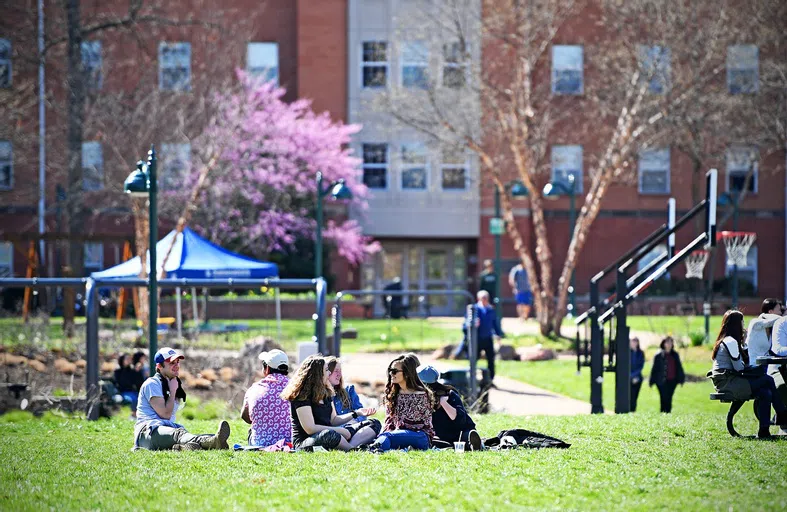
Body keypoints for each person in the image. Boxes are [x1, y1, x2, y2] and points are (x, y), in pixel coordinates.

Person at [134, 347, 230, 451]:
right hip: (148, 433)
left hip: (165, 431)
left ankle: (183, 447)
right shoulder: (152, 384)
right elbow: (165, 415)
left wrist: (173, 390)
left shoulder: (171, 384)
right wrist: (173, 391)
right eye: (171, 363)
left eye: (177, 362)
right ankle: (213, 442)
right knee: (179, 434)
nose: (176, 366)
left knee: (191, 435)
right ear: (159, 366)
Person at [709, 310, 787, 438]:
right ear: (736, 325)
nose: (743, 326)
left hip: (730, 380)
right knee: (767, 380)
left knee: (765, 393)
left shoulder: (730, 341)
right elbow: (739, 368)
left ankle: (764, 431)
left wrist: (744, 343)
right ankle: (782, 414)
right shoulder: (730, 342)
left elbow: (742, 364)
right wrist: (754, 370)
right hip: (728, 383)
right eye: (742, 323)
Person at [280, 355, 379, 451]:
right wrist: (339, 430)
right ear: (318, 374)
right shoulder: (302, 396)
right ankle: (351, 449)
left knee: (374, 423)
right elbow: (310, 428)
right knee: (330, 434)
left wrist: (356, 413)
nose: (329, 373)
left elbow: (334, 420)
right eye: (326, 370)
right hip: (307, 441)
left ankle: (349, 447)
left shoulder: (326, 392)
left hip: (333, 433)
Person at [368, 354, 435, 452]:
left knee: (388, 437)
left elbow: (414, 423)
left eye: (394, 371)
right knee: (385, 435)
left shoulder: (421, 394)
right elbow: (389, 421)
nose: (391, 374)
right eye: (390, 370)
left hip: (420, 436)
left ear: (407, 374)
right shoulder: (394, 394)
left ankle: (375, 449)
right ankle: (377, 447)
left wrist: (391, 433)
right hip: (398, 435)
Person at [417, 364, 482, 451]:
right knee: (431, 440)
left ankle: (473, 444)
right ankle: (448, 445)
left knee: (466, 436)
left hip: (459, 433)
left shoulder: (449, 394)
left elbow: (460, 420)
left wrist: (444, 403)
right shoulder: (417, 397)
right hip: (438, 436)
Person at [241, 349, 292, 447]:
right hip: (290, 443)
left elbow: (244, 416)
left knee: (251, 430)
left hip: (259, 444)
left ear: (267, 369)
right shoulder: (295, 388)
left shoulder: (254, 389)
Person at [326, 356, 380, 429]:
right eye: (336, 371)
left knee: (374, 423)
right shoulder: (321, 395)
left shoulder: (348, 390)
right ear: (326, 372)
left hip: (352, 427)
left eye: (340, 371)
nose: (339, 374)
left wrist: (354, 422)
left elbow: (361, 413)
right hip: (335, 431)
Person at [746, 298, 784, 372]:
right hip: (755, 367)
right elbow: (777, 320)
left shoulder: (773, 330)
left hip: (767, 368)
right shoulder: (755, 323)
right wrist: (783, 318)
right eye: (779, 310)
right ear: (770, 312)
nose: (780, 313)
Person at [648, 336, 685, 413]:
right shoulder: (658, 355)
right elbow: (654, 369)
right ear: (663, 343)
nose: (669, 344)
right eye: (667, 342)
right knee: (663, 397)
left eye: (670, 342)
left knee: (669, 398)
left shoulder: (675, 355)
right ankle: (663, 412)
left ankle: (668, 412)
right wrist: (651, 381)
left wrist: (681, 379)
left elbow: (679, 367)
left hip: (672, 380)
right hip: (661, 381)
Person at [475, 290, 504, 380]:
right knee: (474, 358)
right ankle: (472, 378)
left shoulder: (490, 310)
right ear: (479, 299)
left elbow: (495, 323)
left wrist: (498, 335)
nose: (484, 300)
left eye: (485, 298)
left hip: (488, 338)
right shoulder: (475, 309)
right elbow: (466, 324)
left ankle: (490, 379)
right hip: (477, 338)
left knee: (491, 359)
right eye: (482, 298)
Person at [114, 353, 144, 418]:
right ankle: (134, 415)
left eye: (129, 359)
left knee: (141, 398)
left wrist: (138, 371)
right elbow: (120, 383)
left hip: (132, 391)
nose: (129, 360)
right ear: (122, 360)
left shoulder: (132, 370)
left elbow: (138, 381)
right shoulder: (118, 371)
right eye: (127, 359)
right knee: (133, 399)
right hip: (123, 392)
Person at [629, 338, 645, 412]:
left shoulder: (640, 353)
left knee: (635, 397)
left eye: (635, 342)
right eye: (633, 342)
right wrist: (630, 376)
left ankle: (633, 411)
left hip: (637, 378)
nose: (634, 344)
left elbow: (641, 366)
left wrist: (634, 376)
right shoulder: (627, 352)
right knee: (629, 396)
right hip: (628, 377)